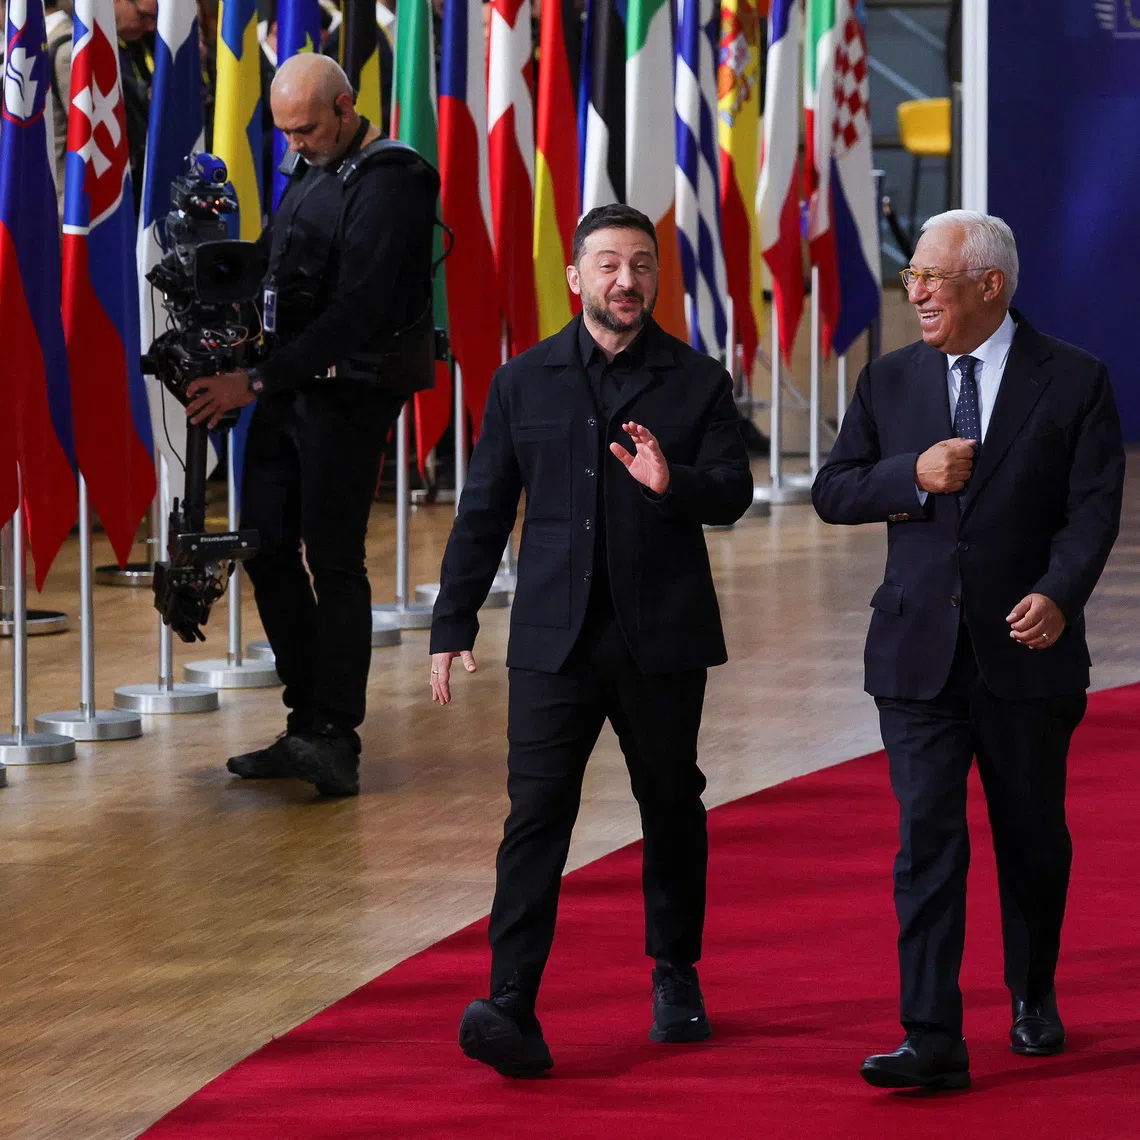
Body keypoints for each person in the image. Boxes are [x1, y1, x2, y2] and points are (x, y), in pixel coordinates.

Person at [428, 204, 754, 1077]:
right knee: (535, 817)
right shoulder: (523, 381)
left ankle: (676, 972)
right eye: (608, 264)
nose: (627, 280)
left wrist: (669, 480)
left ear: (657, 278)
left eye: (642, 265)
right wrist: (451, 622)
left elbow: (731, 492)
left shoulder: (697, 381)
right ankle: (510, 1001)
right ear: (575, 278)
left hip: (662, 640)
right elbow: (485, 509)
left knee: (671, 803)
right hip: (552, 643)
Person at [812, 210, 1125, 1090]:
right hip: (915, 658)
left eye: (931, 277)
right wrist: (909, 473)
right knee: (927, 843)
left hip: (1028, 655)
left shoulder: (1075, 379)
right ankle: (931, 1033)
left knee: (1030, 839)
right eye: (910, 274)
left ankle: (1032, 995)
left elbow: (1092, 509)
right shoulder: (889, 379)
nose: (913, 291)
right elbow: (834, 491)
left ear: (990, 286)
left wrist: (1059, 596)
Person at [184, 53, 440, 797]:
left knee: (333, 559)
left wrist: (252, 381)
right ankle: (306, 721)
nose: (294, 143)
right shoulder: (311, 164)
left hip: (347, 395)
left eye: (306, 129)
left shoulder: (395, 177)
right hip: (288, 387)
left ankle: (336, 735)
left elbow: (357, 311)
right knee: (261, 544)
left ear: (345, 106)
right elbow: (278, 265)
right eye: (285, 132)